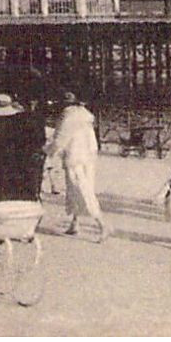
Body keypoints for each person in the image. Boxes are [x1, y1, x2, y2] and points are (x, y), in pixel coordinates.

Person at [47, 92, 109, 241]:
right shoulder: (84, 114)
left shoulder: (68, 117)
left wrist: (47, 151)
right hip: (88, 158)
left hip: (74, 158)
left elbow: (59, 140)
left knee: (82, 190)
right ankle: (75, 223)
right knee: (76, 189)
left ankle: (103, 224)